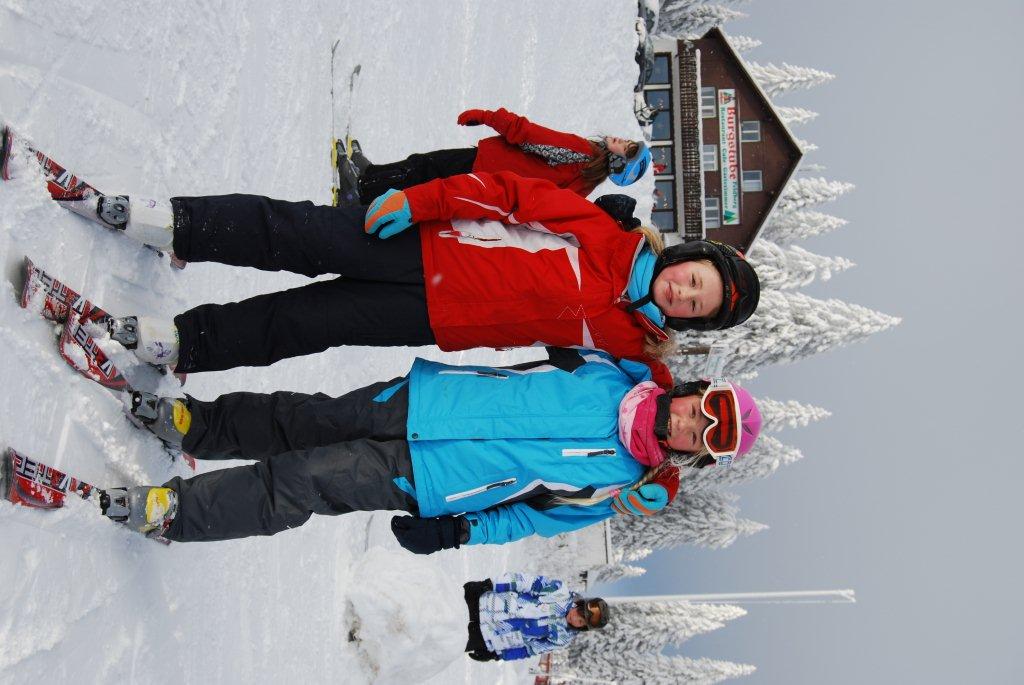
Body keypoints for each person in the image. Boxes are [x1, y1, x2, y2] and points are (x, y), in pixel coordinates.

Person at [73, 171, 761, 389]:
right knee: (297, 233)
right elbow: (510, 196)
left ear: (690, 322)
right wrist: (422, 200)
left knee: (301, 325)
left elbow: (660, 418)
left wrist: (671, 469)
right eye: (693, 278)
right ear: (685, 256)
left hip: (434, 320)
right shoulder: (606, 235)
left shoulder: (631, 347)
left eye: (695, 305)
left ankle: (183, 344)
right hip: (424, 246)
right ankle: (177, 226)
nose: (683, 293)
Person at [100, 347, 763, 547]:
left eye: (702, 437)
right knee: (303, 418)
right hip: (427, 399)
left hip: (431, 475)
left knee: (305, 478)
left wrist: (459, 531)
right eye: (702, 411)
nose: (689, 426)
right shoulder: (611, 366)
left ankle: (177, 512)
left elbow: (531, 519)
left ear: (695, 454)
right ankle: (193, 425)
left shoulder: (618, 486)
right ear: (694, 392)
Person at [347, 107, 653, 205]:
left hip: (485, 166)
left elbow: (531, 136)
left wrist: (487, 116)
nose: (623, 141)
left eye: (626, 149)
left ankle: (362, 189)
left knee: (423, 168)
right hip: (489, 185)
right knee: (424, 179)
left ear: (619, 163)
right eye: (629, 142)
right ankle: (371, 176)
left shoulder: (584, 154)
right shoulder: (584, 185)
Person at [462, 574, 608, 662]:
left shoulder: (562, 638)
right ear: (580, 604)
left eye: (581, 622)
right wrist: (489, 584)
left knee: (451, 644)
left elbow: (528, 650)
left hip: (486, 637)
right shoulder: (559, 592)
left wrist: (497, 655)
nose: (575, 619)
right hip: (482, 603)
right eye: (579, 613)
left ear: (583, 628)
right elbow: (525, 582)